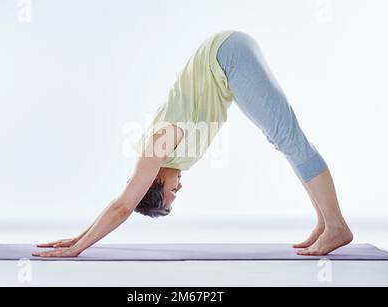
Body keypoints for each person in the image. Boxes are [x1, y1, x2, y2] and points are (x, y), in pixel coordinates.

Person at [32, 30, 353, 258]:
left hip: (226, 56)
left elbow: (123, 203)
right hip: (227, 60)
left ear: (155, 181)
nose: (179, 190)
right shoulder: (174, 158)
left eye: (171, 193)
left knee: (288, 138)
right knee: (283, 139)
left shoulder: (158, 145)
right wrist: (80, 236)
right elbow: (125, 197)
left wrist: (78, 245)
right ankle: (326, 223)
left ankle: (336, 225)